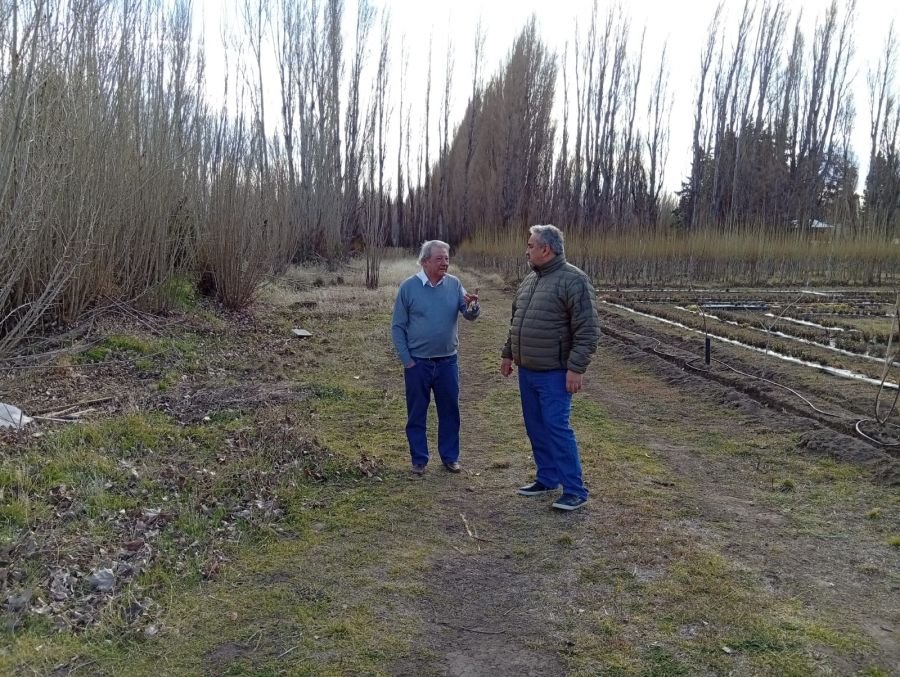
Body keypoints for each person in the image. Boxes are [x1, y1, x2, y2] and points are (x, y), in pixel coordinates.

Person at [500, 224, 599, 511]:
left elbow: (588, 330)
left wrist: (576, 368)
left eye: (531, 245)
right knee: (536, 427)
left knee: (557, 427)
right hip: (527, 370)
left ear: (546, 248)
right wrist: (508, 354)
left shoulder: (574, 280)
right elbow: (516, 321)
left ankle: (574, 490)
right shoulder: (531, 280)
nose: (526, 250)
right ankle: (547, 478)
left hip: (555, 373)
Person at [392, 240, 480, 475]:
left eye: (447, 258)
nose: (445, 263)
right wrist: (407, 360)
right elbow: (397, 327)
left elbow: (467, 312)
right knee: (417, 412)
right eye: (439, 258)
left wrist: (473, 308)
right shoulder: (408, 288)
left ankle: (450, 457)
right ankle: (419, 459)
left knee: (450, 411)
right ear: (424, 262)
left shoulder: (454, 284)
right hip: (417, 364)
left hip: (447, 362)